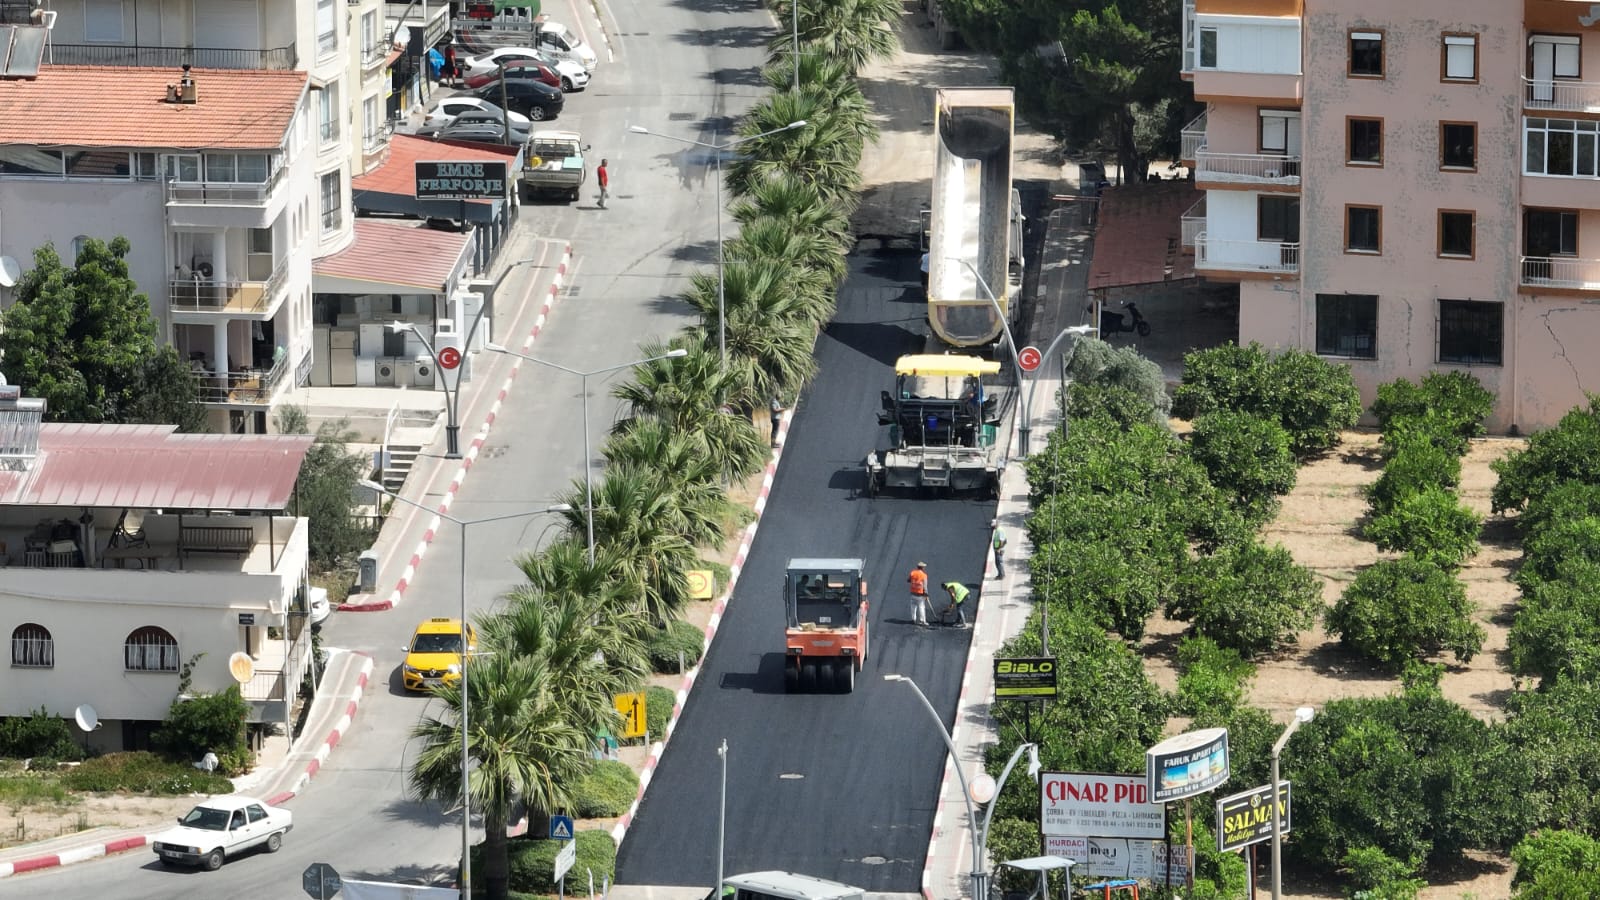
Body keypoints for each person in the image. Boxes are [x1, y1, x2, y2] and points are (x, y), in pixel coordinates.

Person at [907, 562, 929, 627]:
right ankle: (922, 621)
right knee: (921, 607)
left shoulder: (912, 573)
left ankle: (913, 619)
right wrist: (926, 594)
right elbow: (925, 586)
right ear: (923, 568)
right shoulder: (924, 575)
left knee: (913, 606)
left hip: (913, 593)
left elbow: (908, 580)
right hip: (920, 594)